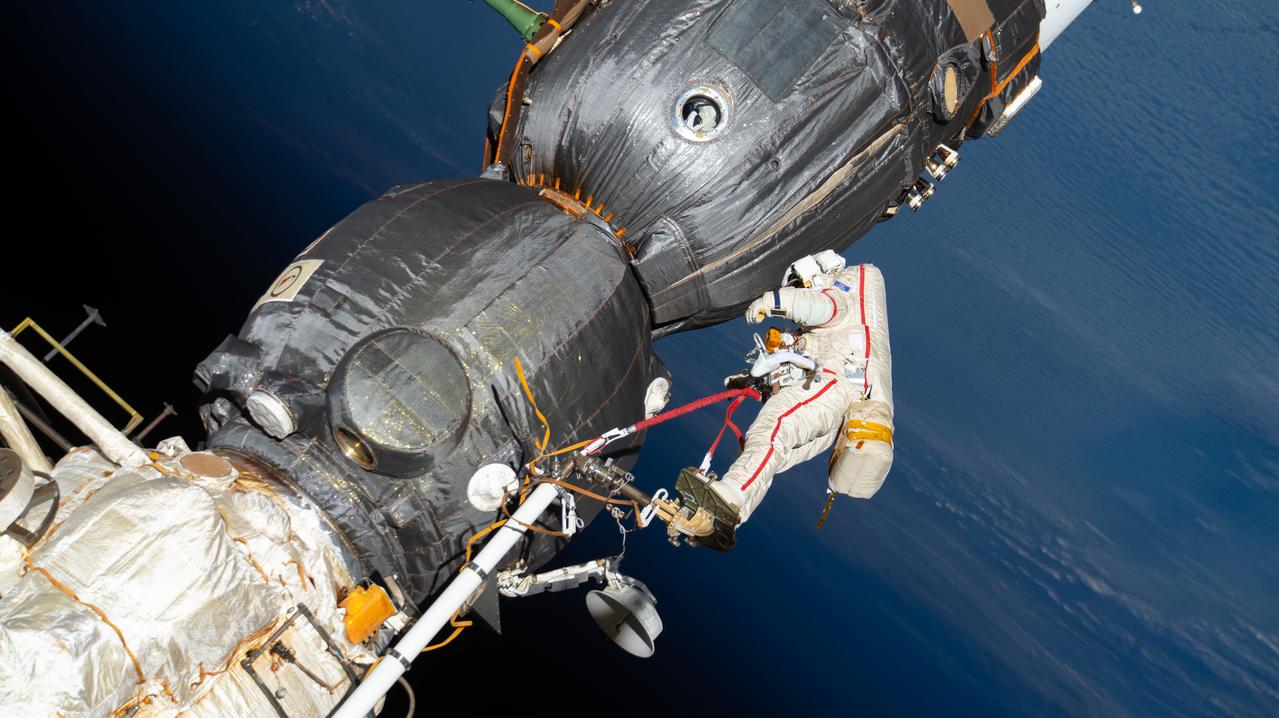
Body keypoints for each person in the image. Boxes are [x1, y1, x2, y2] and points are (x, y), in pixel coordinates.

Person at [672, 251, 895, 550]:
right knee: (770, 450)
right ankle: (726, 515)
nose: (796, 289)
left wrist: (773, 302)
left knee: (774, 428)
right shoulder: (834, 333)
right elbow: (793, 366)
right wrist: (750, 380)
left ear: (816, 275)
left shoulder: (840, 295)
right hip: (837, 403)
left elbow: (820, 307)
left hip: (834, 386)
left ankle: (730, 495)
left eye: (797, 284)